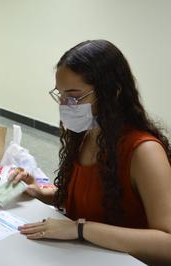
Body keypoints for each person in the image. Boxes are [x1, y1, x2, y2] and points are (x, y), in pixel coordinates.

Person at [11, 40, 171, 265]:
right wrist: (39, 192)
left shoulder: (145, 151)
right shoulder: (86, 135)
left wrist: (80, 229)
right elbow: (90, 199)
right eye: (61, 96)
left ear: (112, 93)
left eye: (74, 96)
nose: (65, 105)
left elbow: (167, 244)